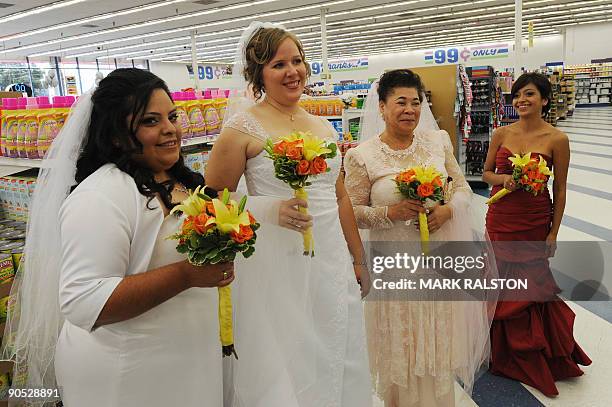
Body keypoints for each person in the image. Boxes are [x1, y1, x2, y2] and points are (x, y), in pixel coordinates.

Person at [2, 68, 234, 406]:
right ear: (115, 135)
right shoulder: (102, 195)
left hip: (185, 360)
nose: (170, 129)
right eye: (150, 121)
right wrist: (186, 275)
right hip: (128, 373)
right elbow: (83, 300)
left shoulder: (182, 181)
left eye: (172, 116)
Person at [205, 23, 372, 406]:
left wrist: (357, 258)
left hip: (329, 258)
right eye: (279, 64)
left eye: (297, 60)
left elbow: (340, 195)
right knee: (285, 351)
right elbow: (214, 200)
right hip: (275, 260)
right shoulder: (240, 129)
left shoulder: (321, 126)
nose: (293, 71)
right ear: (258, 72)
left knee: (336, 341)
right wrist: (267, 208)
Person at [343, 69, 495, 406]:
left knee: (436, 339)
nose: (410, 109)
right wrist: (389, 214)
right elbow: (351, 211)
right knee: (403, 341)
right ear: (382, 107)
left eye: (416, 102)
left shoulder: (437, 140)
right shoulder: (362, 156)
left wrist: (448, 210)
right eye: (400, 102)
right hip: (394, 266)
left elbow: (461, 187)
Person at [483, 72, 591, 397]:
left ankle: (533, 351)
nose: (521, 101)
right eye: (517, 96)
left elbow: (559, 188)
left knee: (531, 288)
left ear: (544, 99)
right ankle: (498, 350)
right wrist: (504, 181)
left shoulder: (557, 139)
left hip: (533, 222)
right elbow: (488, 172)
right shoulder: (501, 133)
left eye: (529, 94)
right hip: (501, 219)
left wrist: (553, 232)